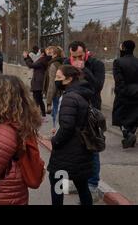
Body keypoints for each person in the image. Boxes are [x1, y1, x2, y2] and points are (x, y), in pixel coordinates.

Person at [0, 74, 42, 205]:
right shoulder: (13, 122)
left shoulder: (4, 131)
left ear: (4, 97)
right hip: (10, 195)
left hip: (3, 197)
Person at [47, 65, 94, 205]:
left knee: (58, 184)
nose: (56, 80)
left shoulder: (69, 97)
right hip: (81, 149)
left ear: (69, 79)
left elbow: (67, 126)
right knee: (82, 186)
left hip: (67, 151)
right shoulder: (81, 94)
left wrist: (55, 140)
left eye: (59, 78)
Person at [64, 41, 105, 200]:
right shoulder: (68, 63)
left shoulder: (96, 64)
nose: (76, 59)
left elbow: (97, 87)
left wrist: (84, 69)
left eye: (80, 56)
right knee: (76, 148)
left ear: (86, 53)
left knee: (92, 147)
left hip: (91, 111)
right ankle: (79, 181)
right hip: (73, 110)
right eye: (73, 57)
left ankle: (93, 185)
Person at [112, 40, 138, 148]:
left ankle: (128, 134)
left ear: (124, 48)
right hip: (137, 93)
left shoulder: (118, 62)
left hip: (124, 93)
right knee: (134, 116)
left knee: (120, 116)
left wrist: (121, 92)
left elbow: (119, 80)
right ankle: (130, 137)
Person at [43, 46, 65, 135]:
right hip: (62, 92)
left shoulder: (53, 65)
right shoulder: (63, 62)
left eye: (51, 53)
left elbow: (52, 83)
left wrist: (48, 101)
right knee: (59, 114)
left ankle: (55, 134)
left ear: (55, 54)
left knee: (56, 115)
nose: (49, 55)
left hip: (56, 93)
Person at [23, 49, 49, 121]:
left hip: (38, 82)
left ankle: (37, 116)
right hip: (38, 82)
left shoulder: (42, 60)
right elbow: (33, 64)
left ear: (43, 53)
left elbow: (31, 65)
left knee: (36, 100)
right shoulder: (42, 60)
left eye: (39, 52)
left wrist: (26, 58)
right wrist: (27, 57)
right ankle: (42, 115)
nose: (38, 53)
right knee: (39, 99)